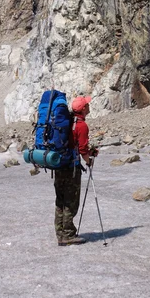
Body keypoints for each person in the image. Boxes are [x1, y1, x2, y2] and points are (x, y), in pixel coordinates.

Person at [54, 95, 92, 246]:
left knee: (60, 200)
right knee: (71, 201)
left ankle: (60, 232)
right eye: (87, 105)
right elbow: (82, 149)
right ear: (83, 109)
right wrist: (89, 161)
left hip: (58, 165)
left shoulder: (66, 121)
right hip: (71, 168)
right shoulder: (81, 125)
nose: (89, 106)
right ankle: (68, 235)